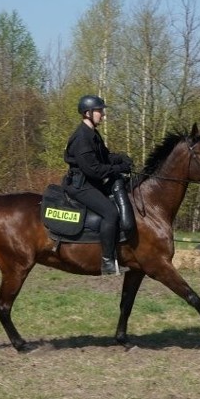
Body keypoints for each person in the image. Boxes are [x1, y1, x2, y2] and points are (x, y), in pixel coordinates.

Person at [64, 95, 133, 275]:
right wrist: (118, 168)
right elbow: (93, 170)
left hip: (90, 181)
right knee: (110, 212)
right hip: (81, 185)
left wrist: (121, 158)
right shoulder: (82, 137)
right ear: (88, 113)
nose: (103, 115)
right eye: (100, 111)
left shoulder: (92, 133)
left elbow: (104, 156)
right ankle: (107, 262)